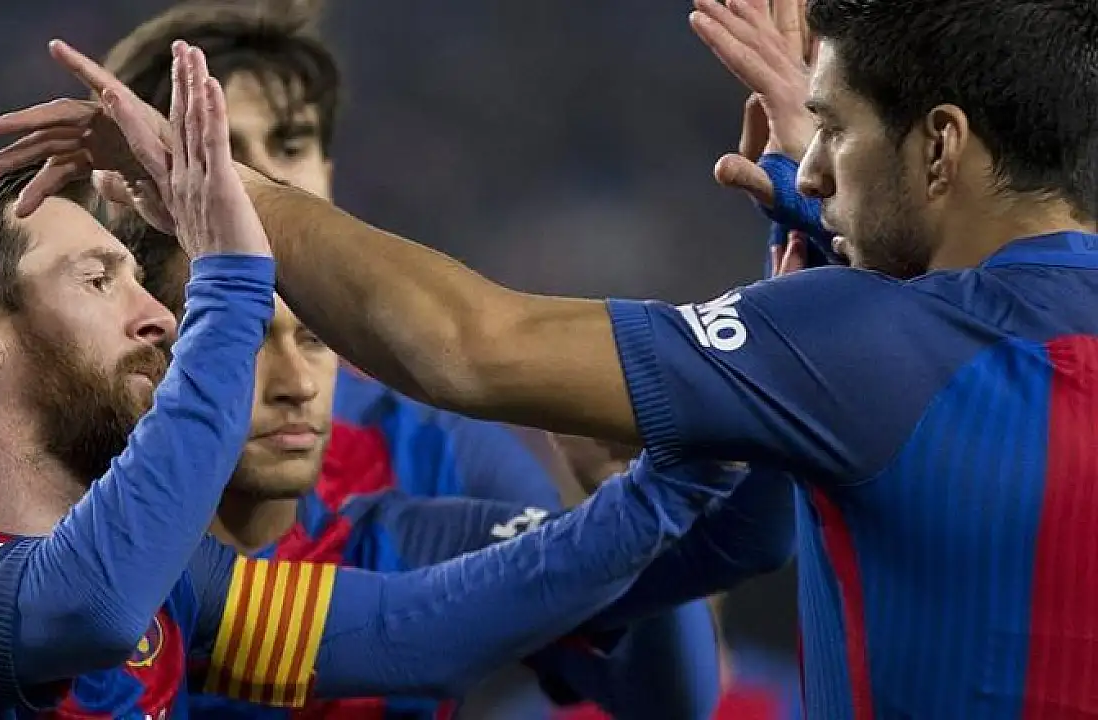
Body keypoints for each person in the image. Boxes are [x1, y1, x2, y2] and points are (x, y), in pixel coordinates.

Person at [0, 0, 1098, 713]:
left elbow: (470, 350)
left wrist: (221, 210)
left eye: (837, 133)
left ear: (940, 148)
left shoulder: (414, 488)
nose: (807, 169)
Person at [0, 44, 788, 719]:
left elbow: (415, 636)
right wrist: (233, 275)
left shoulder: (179, 580)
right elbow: (85, 608)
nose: (156, 320)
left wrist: (728, 414)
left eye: (313, 341)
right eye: (98, 280)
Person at [100, 5, 724, 717]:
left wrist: (630, 491)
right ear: (125, 184)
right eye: (209, 150)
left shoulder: (431, 462)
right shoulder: (79, 486)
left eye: (287, 146)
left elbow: (653, 678)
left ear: (329, 168)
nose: (247, 182)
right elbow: (411, 640)